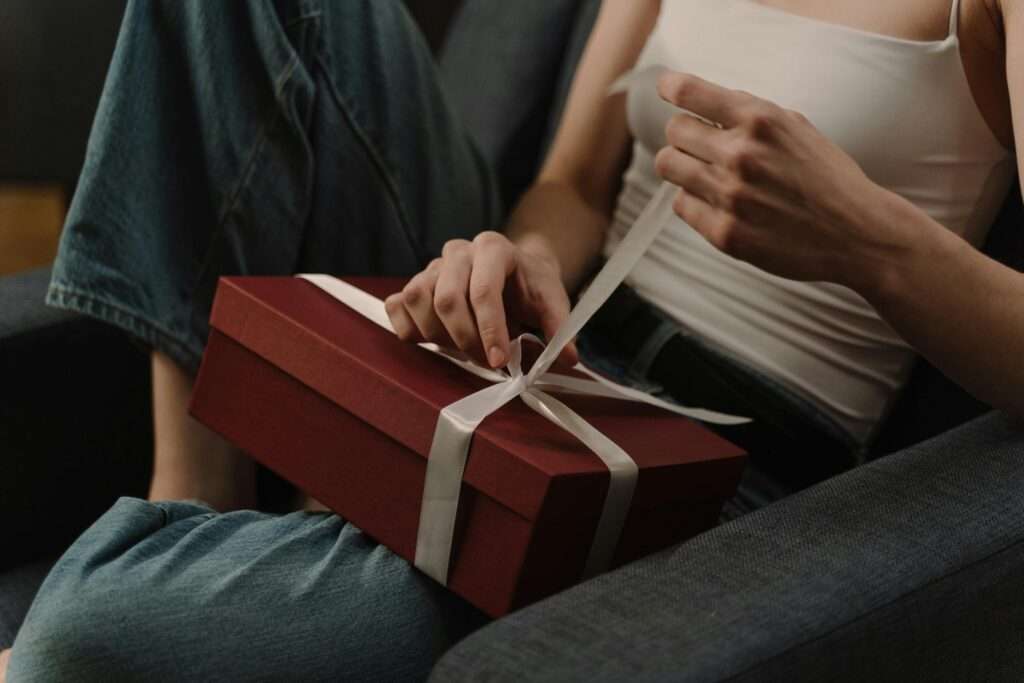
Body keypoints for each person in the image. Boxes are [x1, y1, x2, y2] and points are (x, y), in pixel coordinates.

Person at [3, 0, 1020, 679]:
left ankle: (224, 547)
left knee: (83, 631)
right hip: (549, 351)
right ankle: (194, 495)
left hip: (706, 468)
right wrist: (520, 254)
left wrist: (869, 237)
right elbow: (571, 185)